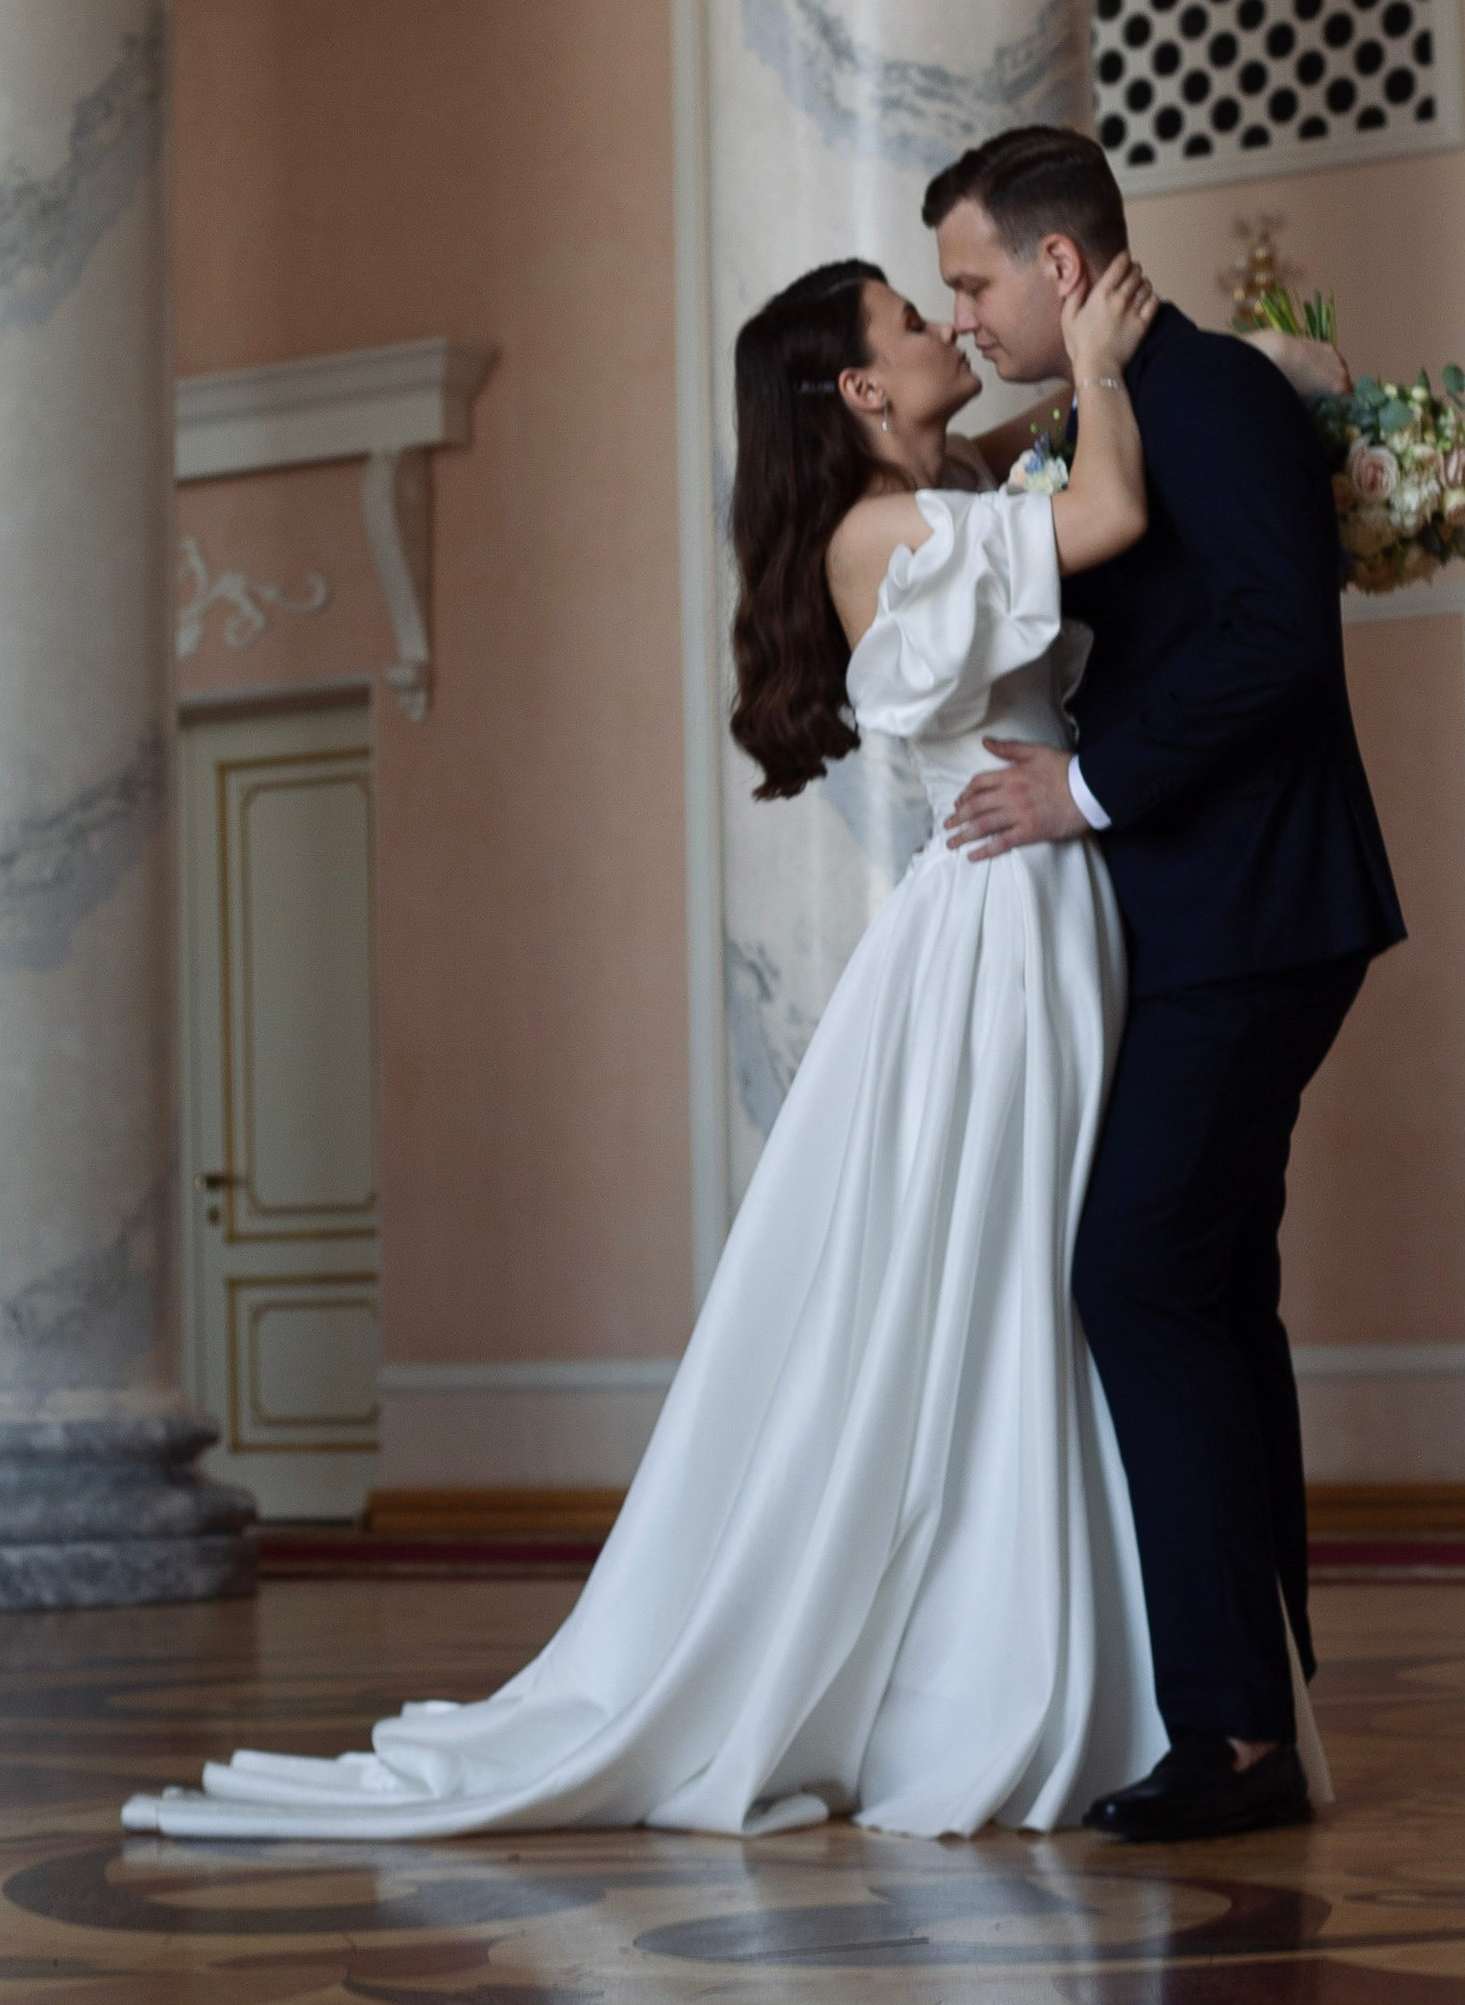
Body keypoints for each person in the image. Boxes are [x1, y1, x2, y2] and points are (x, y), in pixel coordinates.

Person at [124, 242, 1203, 1843]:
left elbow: (1075, 502)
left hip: (1042, 901)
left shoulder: (955, 488)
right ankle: (990, 1676)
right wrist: (1103, 365)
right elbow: (1107, 516)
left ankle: (1087, 1657)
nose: (944, 325)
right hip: (999, 922)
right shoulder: (884, 530)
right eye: (916, 320)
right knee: (1008, 1271)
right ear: (857, 385)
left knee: (1041, 1270)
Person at [927, 126, 1404, 1845]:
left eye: (974, 281)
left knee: (1135, 1275)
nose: (960, 315)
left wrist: (1085, 791)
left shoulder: (1198, 397)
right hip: (1227, 915)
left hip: (1255, 912)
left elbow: (1281, 640)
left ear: (1060, 268)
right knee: (1207, 1291)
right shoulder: (1154, 392)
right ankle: (1256, 1703)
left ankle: (1236, 1734)